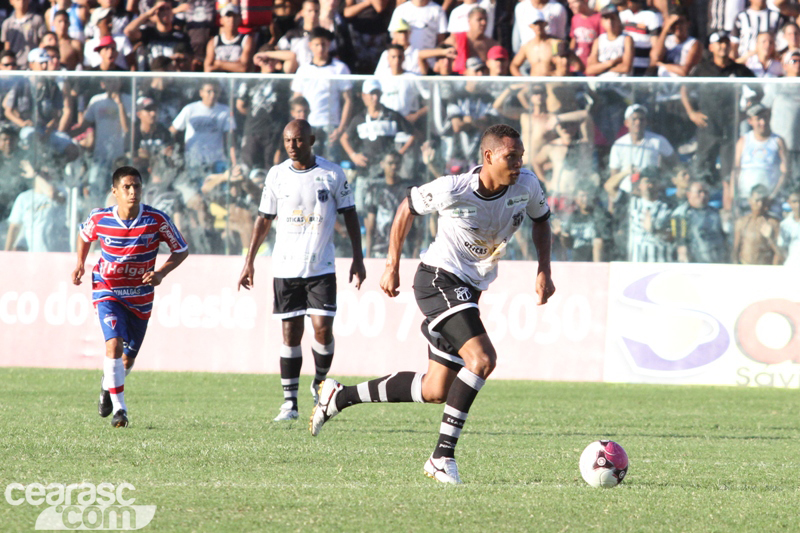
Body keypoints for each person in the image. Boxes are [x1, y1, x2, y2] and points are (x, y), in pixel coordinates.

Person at [308, 124, 555, 485]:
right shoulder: (453, 188)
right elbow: (406, 208)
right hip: (438, 278)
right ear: (488, 157)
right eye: (510, 157)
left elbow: (542, 221)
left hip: (470, 289)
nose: (518, 164)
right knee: (482, 360)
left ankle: (339, 396)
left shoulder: (527, 186)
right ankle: (441, 457)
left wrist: (543, 270)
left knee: (435, 389)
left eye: (520, 157)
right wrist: (392, 265)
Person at [237, 119, 365, 422]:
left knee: (322, 329)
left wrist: (358, 258)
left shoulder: (332, 173)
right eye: (287, 141)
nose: (292, 146)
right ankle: (289, 404)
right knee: (290, 334)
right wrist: (249, 261)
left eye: (298, 140)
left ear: (312, 139)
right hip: (285, 268)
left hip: (321, 266)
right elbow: (264, 218)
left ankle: (320, 380)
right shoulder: (277, 175)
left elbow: (350, 215)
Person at [72, 166, 188, 428]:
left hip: (140, 298)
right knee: (113, 345)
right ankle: (120, 410)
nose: (132, 191)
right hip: (107, 290)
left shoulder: (156, 220)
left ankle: (107, 384)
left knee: (127, 358)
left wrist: (160, 274)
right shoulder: (100, 218)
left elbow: (181, 250)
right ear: (115, 192)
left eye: (136, 186)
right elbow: (84, 235)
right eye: (126, 187)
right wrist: (80, 263)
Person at [680, 31, 755, 185]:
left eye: (726, 43)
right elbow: (684, 90)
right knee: (702, 171)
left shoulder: (740, 70)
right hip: (707, 127)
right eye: (719, 43)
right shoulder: (701, 69)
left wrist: (746, 113)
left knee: (729, 174)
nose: (723, 46)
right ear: (711, 47)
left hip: (730, 128)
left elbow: (757, 91)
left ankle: (727, 207)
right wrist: (691, 113)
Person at [730, 103, 788, 211]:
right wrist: (734, 197)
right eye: (758, 119)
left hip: (769, 199)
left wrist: (772, 196)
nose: (763, 122)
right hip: (746, 199)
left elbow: (784, 173)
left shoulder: (777, 141)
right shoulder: (743, 141)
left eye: (765, 118)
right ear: (750, 121)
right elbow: (736, 170)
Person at [670, 179, 728, 263]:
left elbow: (723, 238)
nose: (703, 195)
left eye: (706, 192)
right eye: (699, 192)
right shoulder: (681, 214)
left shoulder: (715, 213)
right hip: (696, 264)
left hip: (716, 262)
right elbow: (681, 244)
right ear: (689, 194)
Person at [732, 184, 782, 264]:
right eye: (757, 200)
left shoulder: (773, 223)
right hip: (745, 266)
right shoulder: (742, 222)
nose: (760, 204)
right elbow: (735, 250)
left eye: (763, 201)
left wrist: (771, 238)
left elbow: (780, 253)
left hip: (764, 269)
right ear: (750, 200)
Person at [779, 188, 800, 266]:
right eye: (794, 202)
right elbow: (782, 249)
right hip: (791, 267)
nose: (798, 205)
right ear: (789, 203)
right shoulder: (785, 225)